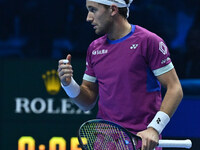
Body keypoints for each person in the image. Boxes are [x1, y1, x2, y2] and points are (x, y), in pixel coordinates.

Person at [57, 0, 183, 149]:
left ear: (113, 9)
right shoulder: (94, 48)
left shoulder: (149, 42)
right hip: (104, 143)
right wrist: (68, 84)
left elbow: (175, 89)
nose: (88, 18)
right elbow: (87, 101)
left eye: (93, 10)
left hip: (141, 141)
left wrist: (154, 128)